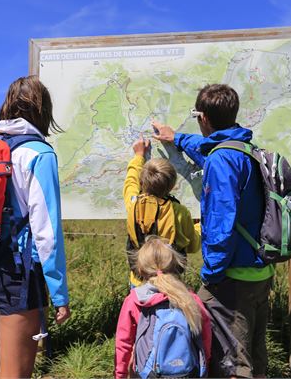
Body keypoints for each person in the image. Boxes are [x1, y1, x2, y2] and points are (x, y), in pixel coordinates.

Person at [151, 83, 272, 378]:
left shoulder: (222, 160)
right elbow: (208, 149)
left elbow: (220, 224)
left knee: (232, 363)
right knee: (255, 357)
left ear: (203, 117)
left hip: (232, 277)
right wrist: (177, 138)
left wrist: (211, 276)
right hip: (260, 272)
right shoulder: (244, 149)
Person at [0, 75, 71, 379]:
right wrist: (60, 294)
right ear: (43, 111)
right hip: (18, 272)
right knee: (15, 374)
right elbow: (46, 231)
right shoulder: (38, 154)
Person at [114, 237, 212, 378]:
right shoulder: (190, 298)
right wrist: (205, 364)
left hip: (149, 372)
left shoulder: (135, 300)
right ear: (174, 266)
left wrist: (120, 374)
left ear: (140, 270)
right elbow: (205, 335)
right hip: (189, 371)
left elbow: (123, 343)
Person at [123, 134, 201, 287]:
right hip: (170, 284)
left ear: (142, 181)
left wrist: (139, 156)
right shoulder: (179, 211)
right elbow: (193, 245)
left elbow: (130, 181)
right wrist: (198, 226)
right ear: (172, 185)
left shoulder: (134, 204)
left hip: (139, 281)